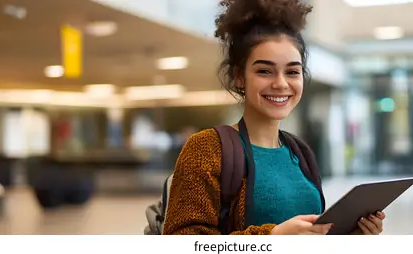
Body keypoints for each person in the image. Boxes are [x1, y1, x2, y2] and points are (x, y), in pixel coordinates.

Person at [162, 0, 385, 235]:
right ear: (239, 77)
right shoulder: (206, 148)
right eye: (264, 71)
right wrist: (272, 237)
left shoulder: (299, 151)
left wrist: (351, 234)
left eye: (292, 72)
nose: (281, 83)